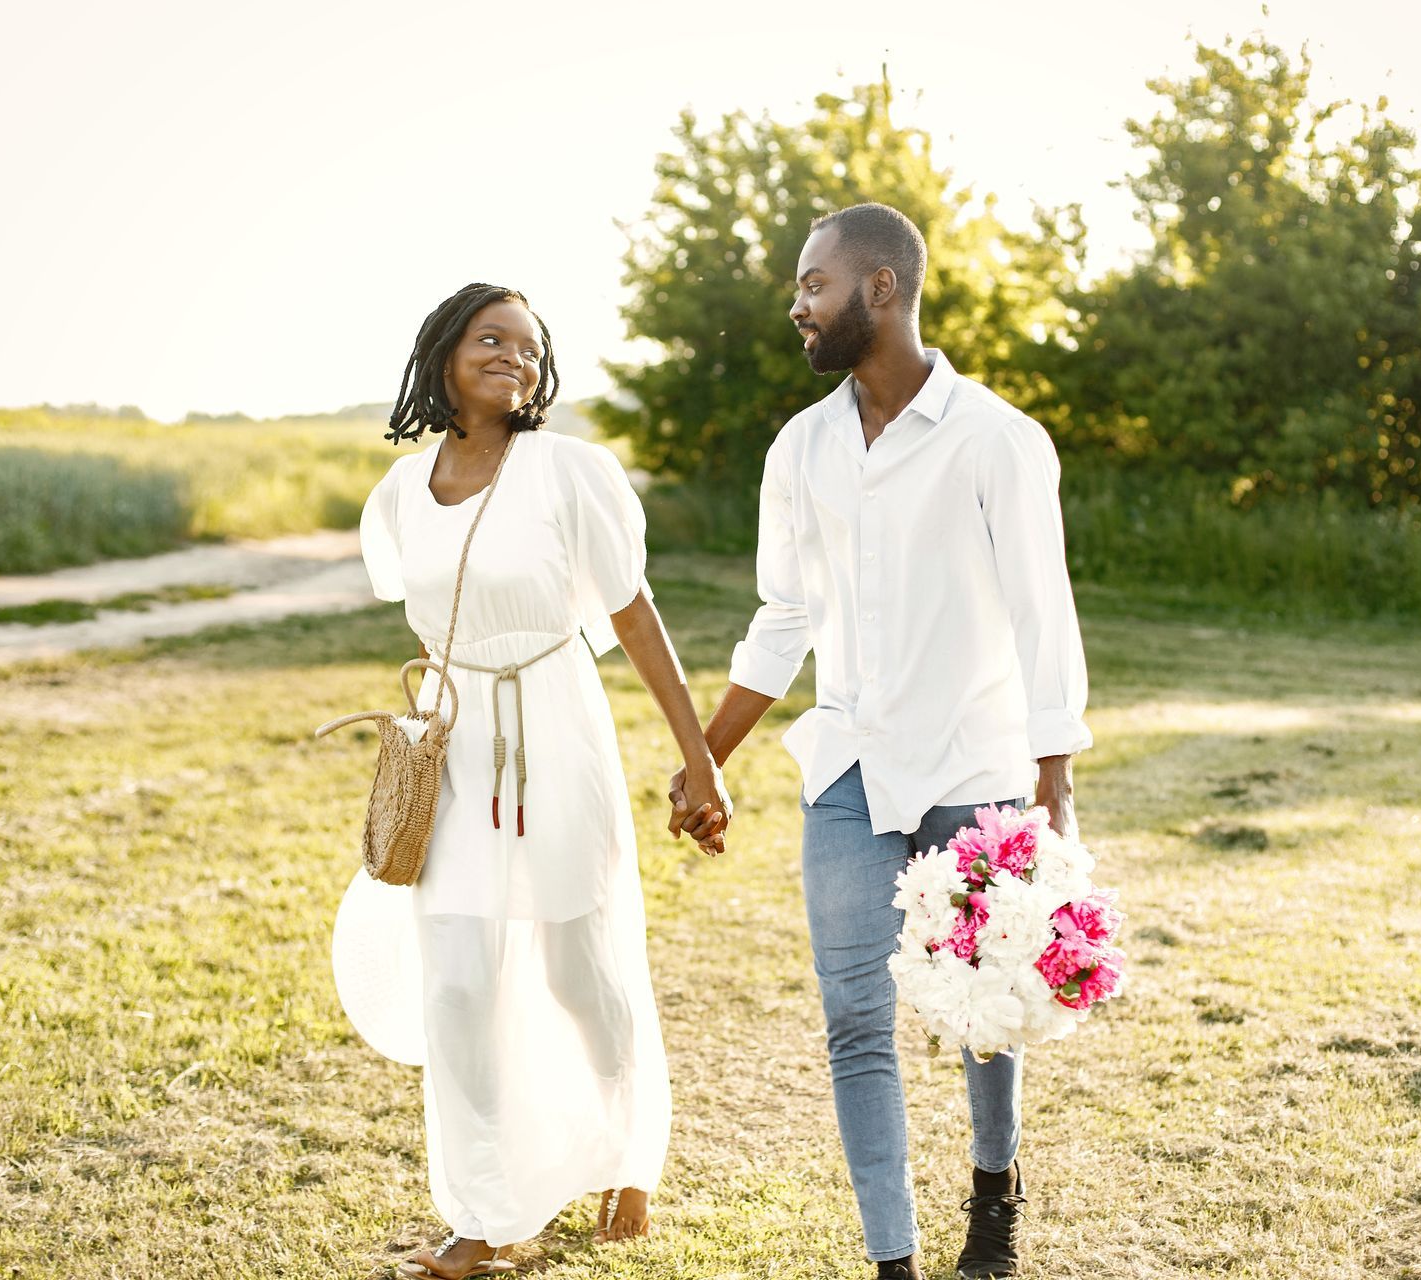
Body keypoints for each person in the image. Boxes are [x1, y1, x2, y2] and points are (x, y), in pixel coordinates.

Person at [671, 204, 1091, 1280]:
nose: (797, 306)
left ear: (881, 289)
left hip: (975, 768)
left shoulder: (997, 437)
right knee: (855, 1020)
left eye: (813, 284)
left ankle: (993, 1198)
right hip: (849, 776)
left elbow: (1045, 612)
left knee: (982, 1005)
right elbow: (784, 616)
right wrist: (708, 752)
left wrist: (1054, 780)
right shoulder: (801, 446)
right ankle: (892, 1262)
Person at [342, 282, 730, 1279]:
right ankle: (481, 1210)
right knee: (461, 982)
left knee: (575, 967)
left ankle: (626, 1143)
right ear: (443, 359)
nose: (517, 355)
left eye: (531, 344)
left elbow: (635, 619)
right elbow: (430, 626)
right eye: (492, 338)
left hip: (558, 731)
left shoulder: (570, 471)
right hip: (461, 743)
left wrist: (700, 758)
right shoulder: (398, 496)